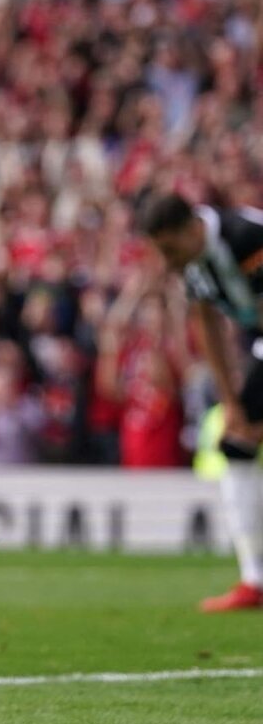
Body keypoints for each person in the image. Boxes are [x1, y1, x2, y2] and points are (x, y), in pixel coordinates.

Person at [140, 193, 263, 611]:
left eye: (169, 250)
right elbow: (207, 322)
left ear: (193, 229)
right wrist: (231, 403)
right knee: (237, 445)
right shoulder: (195, 260)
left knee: (242, 441)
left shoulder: (246, 238)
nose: (167, 262)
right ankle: (254, 580)